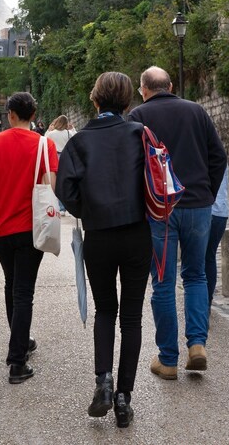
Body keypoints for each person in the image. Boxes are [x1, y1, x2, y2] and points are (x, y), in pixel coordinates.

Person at [56, 72, 152, 428]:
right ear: (128, 103)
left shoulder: (79, 142)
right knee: (132, 317)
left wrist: (86, 208)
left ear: (95, 101)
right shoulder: (139, 134)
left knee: (105, 312)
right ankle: (125, 397)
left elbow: (64, 189)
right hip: (137, 233)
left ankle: (103, 380)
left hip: (99, 235)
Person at [128, 66, 227, 380]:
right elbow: (219, 156)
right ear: (170, 85)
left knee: (163, 282)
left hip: (160, 210)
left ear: (142, 89)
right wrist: (208, 192)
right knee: (196, 275)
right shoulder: (196, 111)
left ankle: (168, 359)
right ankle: (197, 344)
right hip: (199, 204)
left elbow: (132, 165)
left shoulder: (137, 116)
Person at [0, 92, 58, 384]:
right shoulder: (45, 145)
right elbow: (50, 187)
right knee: (24, 292)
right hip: (31, 229)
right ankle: (17, 361)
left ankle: (20, 342)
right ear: (33, 115)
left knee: (12, 284)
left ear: (10, 114)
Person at [205, 165, 229, 311]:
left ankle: (200, 304)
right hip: (220, 212)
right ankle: (206, 302)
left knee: (196, 262)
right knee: (209, 257)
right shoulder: (220, 155)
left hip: (203, 210)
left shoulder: (197, 151)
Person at [46, 116, 77, 214]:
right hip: (66, 157)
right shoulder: (68, 133)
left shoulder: (51, 134)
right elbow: (76, 139)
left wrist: (48, 130)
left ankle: (59, 206)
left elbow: (44, 140)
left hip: (54, 156)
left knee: (56, 182)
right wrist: (73, 128)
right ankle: (65, 206)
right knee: (65, 181)